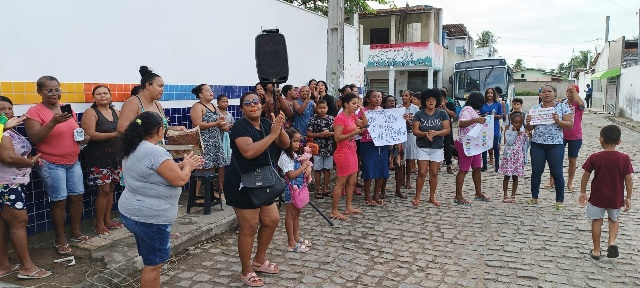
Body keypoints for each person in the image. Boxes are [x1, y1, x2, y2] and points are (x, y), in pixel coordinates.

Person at [118, 111, 203, 288]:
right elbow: (180, 179)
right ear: (159, 130)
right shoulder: (155, 151)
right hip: (150, 218)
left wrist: (185, 165)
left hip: (132, 212)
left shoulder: (134, 146)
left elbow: (156, 171)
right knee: (153, 265)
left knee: (150, 257)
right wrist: (187, 167)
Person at [223, 92, 289, 287]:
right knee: (249, 226)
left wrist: (279, 126)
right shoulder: (240, 127)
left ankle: (259, 261)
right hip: (242, 182)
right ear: (242, 108)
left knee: (271, 220)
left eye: (256, 102)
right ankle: (246, 271)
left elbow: (284, 144)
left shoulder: (268, 124)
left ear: (262, 105)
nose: (253, 105)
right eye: (248, 103)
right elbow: (249, 152)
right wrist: (272, 135)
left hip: (264, 180)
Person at [24, 76, 91, 254]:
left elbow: (74, 131)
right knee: (59, 201)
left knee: (77, 197)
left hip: (73, 161)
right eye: (49, 90)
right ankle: (60, 238)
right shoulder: (34, 111)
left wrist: (84, 138)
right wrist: (54, 121)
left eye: (57, 89)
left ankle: (75, 231)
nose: (55, 93)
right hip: (51, 163)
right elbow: (35, 138)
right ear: (39, 92)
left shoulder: (67, 109)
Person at [0, 96, 52, 279]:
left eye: (9, 108)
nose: (6, 112)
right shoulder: (4, 132)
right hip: (8, 184)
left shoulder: (8, 130)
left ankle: (3, 265)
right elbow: (8, 157)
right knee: (18, 222)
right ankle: (27, 268)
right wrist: (30, 162)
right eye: (1, 109)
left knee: (4, 224)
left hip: (11, 182)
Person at [578, 124, 633, 260]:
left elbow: (586, 175)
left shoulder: (595, 157)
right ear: (619, 142)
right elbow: (628, 179)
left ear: (600, 140)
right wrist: (629, 197)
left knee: (597, 221)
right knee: (613, 220)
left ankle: (597, 250)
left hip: (598, 196)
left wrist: (583, 191)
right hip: (616, 196)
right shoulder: (624, 158)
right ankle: (612, 242)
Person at [80, 85, 123, 235]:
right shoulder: (91, 112)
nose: (102, 96)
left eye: (105, 93)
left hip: (115, 157)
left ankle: (108, 220)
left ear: (111, 96)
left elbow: (124, 131)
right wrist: (114, 135)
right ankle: (99, 224)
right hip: (98, 158)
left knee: (111, 189)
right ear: (94, 98)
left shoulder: (117, 112)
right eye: (98, 94)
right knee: (103, 190)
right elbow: (90, 135)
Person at [525, 85, 573, 210]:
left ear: (555, 93)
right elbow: (530, 128)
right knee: (536, 172)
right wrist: (528, 122)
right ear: (540, 95)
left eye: (549, 91)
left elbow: (569, 125)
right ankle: (534, 197)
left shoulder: (563, 107)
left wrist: (559, 121)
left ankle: (559, 201)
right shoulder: (535, 109)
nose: (546, 94)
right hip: (537, 144)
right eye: (543, 92)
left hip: (556, 144)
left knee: (557, 172)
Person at [117, 66, 185, 134]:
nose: (162, 89)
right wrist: (148, 134)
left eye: (163, 87)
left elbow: (161, 129)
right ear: (148, 86)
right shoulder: (133, 103)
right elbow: (122, 128)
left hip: (158, 144)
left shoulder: (157, 104)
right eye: (160, 86)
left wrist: (173, 129)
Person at [412, 88, 451, 206]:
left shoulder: (442, 113)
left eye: (433, 99)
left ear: (437, 100)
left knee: (434, 173)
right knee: (422, 172)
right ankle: (417, 196)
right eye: (428, 99)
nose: (431, 102)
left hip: (437, 146)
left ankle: (432, 197)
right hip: (422, 146)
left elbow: (447, 129)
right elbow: (415, 130)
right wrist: (425, 134)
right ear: (424, 101)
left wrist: (436, 133)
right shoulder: (419, 114)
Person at [190, 84, 228, 200]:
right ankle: (195, 194)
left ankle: (209, 192)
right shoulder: (197, 106)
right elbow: (197, 124)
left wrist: (221, 123)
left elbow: (218, 121)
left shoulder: (213, 106)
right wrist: (215, 124)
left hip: (215, 140)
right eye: (207, 90)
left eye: (211, 90)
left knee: (212, 168)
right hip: (204, 142)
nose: (211, 92)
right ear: (200, 94)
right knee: (201, 167)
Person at [331, 93, 366, 220]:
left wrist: (362, 110)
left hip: (352, 151)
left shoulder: (352, 115)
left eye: (357, 103)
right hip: (343, 153)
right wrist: (353, 132)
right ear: (346, 104)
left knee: (352, 182)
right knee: (341, 183)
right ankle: (334, 210)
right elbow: (337, 137)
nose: (356, 105)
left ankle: (348, 207)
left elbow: (363, 124)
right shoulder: (340, 118)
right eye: (354, 103)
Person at [545, 84, 585, 192]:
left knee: (572, 160)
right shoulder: (562, 104)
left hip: (575, 136)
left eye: (571, 92)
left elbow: (581, 103)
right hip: (561, 134)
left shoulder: (579, 104)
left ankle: (570, 182)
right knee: (555, 158)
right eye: (567, 91)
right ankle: (552, 180)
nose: (568, 93)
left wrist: (575, 92)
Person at [278, 128, 312, 253]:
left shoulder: (296, 154)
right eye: (295, 141)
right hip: (291, 189)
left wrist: (307, 168)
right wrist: (303, 168)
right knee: (290, 214)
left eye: (299, 141)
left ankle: (296, 236)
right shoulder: (285, 156)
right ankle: (290, 241)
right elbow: (291, 175)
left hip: (300, 188)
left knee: (297, 213)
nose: (298, 144)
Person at [454, 92, 488, 205]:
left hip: (474, 144)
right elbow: (462, 124)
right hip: (465, 143)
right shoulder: (467, 110)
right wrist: (475, 120)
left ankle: (478, 192)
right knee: (463, 169)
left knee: (477, 168)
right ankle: (458, 196)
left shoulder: (474, 111)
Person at [359, 90, 388, 206]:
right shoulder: (362, 111)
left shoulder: (383, 112)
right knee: (369, 169)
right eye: (374, 97)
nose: (378, 99)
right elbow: (359, 126)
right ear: (368, 99)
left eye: (380, 97)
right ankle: (367, 195)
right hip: (367, 143)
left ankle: (376, 195)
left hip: (382, 143)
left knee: (381, 168)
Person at [306, 99, 335, 199]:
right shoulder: (313, 119)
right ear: (317, 108)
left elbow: (337, 132)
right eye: (320, 108)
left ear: (327, 108)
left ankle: (326, 189)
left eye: (324, 108)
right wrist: (319, 135)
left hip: (329, 147)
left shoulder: (332, 119)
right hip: (317, 148)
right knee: (317, 169)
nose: (322, 110)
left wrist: (329, 134)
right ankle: (318, 189)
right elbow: (308, 133)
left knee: (327, 169)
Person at [498, 112, 528, 203]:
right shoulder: (508, 132)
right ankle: (505, 194)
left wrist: (529, 138)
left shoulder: (523, 134)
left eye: (520, 123)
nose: (518, 124)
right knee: (507, 177)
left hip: (518, 158)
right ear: (511, 122)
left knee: (515, 177)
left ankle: (513, 195)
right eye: (516, 123)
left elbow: (525, 146)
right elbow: (509, 142)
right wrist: (515, 133)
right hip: (509, 158)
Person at [382, 95, 406, 199]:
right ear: (385, 103)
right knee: (384, 167)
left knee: (399, 167)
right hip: (385, 144)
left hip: (397, 143)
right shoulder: (381, 114)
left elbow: (406, 127)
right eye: (389, 101)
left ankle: (398, 190)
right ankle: (382, 190)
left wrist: (405, 119)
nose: (392, 103)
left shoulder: (399, 113)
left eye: (393, 101)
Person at [480, 87, 503, 172]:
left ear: (494, 94)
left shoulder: (498, 104)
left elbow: (501, 115)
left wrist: (494, 116)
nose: (490, 95)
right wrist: (484, 115)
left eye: (491, 93)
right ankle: (485, 165)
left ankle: (497, 165)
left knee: (495, 146)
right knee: (484, 146)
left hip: (494, 127)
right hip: (485, 128)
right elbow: (478, 115)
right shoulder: (482, 104)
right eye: (488, 93)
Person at [400, 90, 419, 188]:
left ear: (411, 97)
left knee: (410, 158)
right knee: (401, 158)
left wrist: (408, 122)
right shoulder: (398, 108)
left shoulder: (415, 108)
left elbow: (417, 123)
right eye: (402, 95)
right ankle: (401, 179)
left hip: (411, 134)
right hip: (400, 135)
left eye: (406, 96)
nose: (404, 97)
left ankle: (408, 180)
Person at [440, 89, 457, 174]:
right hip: (437, 128)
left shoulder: (450, 104)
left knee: (448, 146)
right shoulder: (435, 105)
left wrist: (444, 108)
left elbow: (454, 115)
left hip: (447, 128)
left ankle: (449, 164)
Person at [217, 94, 235, 166]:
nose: (225, 103)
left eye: (227, 102)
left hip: (226, 138)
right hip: (218, 138)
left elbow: (233, 124)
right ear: (218, 103)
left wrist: (230, 126)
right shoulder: (216, 113)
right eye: (223, 102)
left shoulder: (229, 115)